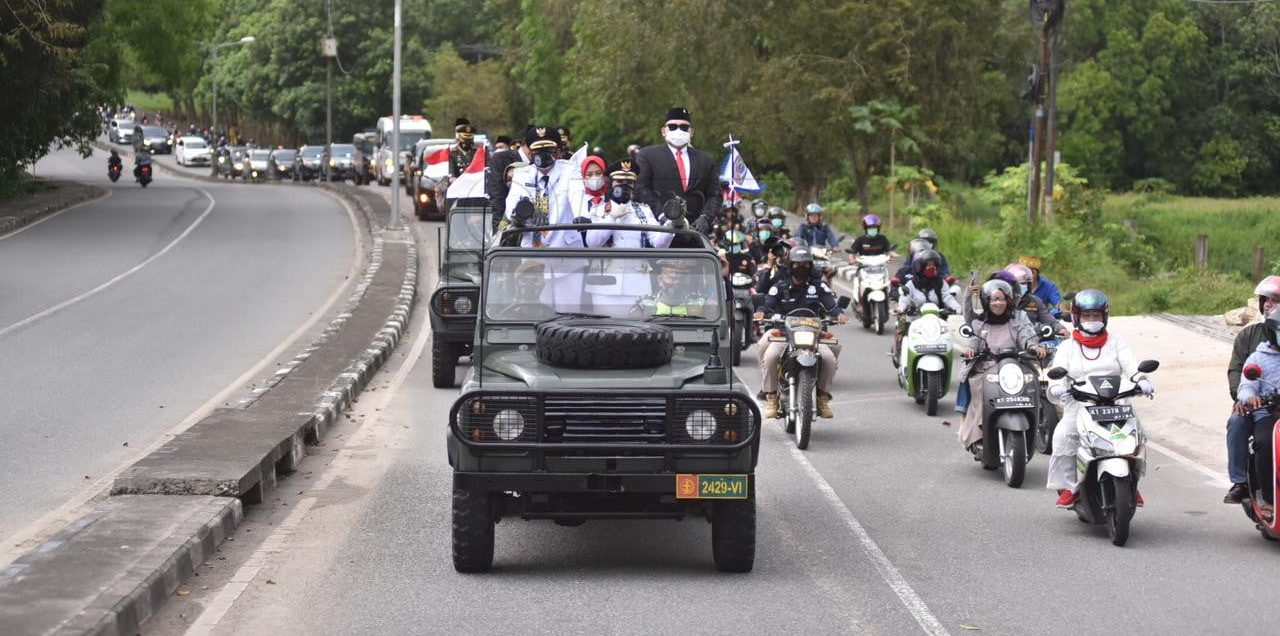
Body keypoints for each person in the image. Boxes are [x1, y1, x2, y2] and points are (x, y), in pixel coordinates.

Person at [1046, 289, 1153, 508]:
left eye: (1096, 316)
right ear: (1076, 317)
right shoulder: (1067, 346)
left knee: (1136, 437)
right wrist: (1057, 387)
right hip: (1081, 404)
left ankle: (1132, 483)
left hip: (1116, 403)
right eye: (1087, 316)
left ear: (1104, 317)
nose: (1092, 321)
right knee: (1063, 436)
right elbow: (1058, 371)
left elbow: (1130, 364)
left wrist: (1141, 379)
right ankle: (1071, 487)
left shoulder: (1116, 341)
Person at [753, 245, 848, 418]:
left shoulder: (818, 287)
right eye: (797, 264)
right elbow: (767, 304)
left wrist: (839, 314)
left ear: (811, 266)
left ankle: (822, 397)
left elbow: (831, 305)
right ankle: (771, 396)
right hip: (783, 333)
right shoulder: (780, 286)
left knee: (829, 359)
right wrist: (761, 313)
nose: (801, 268)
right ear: (790, 265)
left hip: (813, 334)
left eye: (805, 264)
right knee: (770, 356)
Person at [957, 279, 1046, 455]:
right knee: (981, 388)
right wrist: (970, 349)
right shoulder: (979, 323)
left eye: (1002, 299)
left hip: (1015, 368)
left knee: (1032, 385)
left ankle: (1037, 425)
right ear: (986, 301)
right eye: (993, 299)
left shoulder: (1018, 318)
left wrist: (1034, 347)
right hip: (985, 369)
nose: (998, 303)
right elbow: (974, 341)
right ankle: (980, 435)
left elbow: (1026, 335)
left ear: (1009, 300)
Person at [1225, 276, 1280, 503]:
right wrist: (1244, 396)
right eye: (1265, 299)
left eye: (1275, 299)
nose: (1268, 303)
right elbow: (1237, 370)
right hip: (1258, 404)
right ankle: (1240, 482)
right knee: (1237, 421)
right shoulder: (1249, 336)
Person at [634, 107, 722, 233]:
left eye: (684, 127)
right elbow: (642, 189)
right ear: (664, 131)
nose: (678, 130)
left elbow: (715, 194)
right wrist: (665, 216)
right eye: (673, 126)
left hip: (696, 232)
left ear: (691, 132)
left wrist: (706, 218)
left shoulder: (706, 160)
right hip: (659, 231)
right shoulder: (647, 155)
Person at [504, 125, 579, 249]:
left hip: (566, 249)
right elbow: (511, 207)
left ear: (558, 151)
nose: (542, 154)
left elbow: (577, 195)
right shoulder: (522, 174)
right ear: (530, 153)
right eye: (537, 150)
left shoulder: (571, 170)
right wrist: (529, 210)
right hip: (532, 251)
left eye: (548, 150)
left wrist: (581, 216)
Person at [1237, 305, 1280, 517]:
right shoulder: (1258, 358)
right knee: (1265, 443)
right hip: (1269, 415)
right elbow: (1246, 385)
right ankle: (1269, 498)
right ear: (1273, 332)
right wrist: (1249, 397)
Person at [893, 250, 961, 361]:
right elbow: (905, 300)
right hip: (915, 319)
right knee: (903, 326)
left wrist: (957, 308)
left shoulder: (941, 282)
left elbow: (948, 298)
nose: (932, 267)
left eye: (934, 265)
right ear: (919, 268)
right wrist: (901, 308)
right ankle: (900, 352)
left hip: (936, 319)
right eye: (929, 265)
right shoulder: (911, 285)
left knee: (947, 338)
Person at [1005, 263, 1066, 336]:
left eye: (1025, 283)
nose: (1022, 286)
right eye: (1019, 284)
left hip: (1032, 337)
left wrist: (1061, 329)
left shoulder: (1035, 300)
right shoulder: (1002, 301)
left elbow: (1048, 318)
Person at [633, 259, 709, 317]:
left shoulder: (700, 302)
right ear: (660, 280)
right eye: (672, 278)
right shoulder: (644, 303)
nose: (677, 283)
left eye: (682, 278)